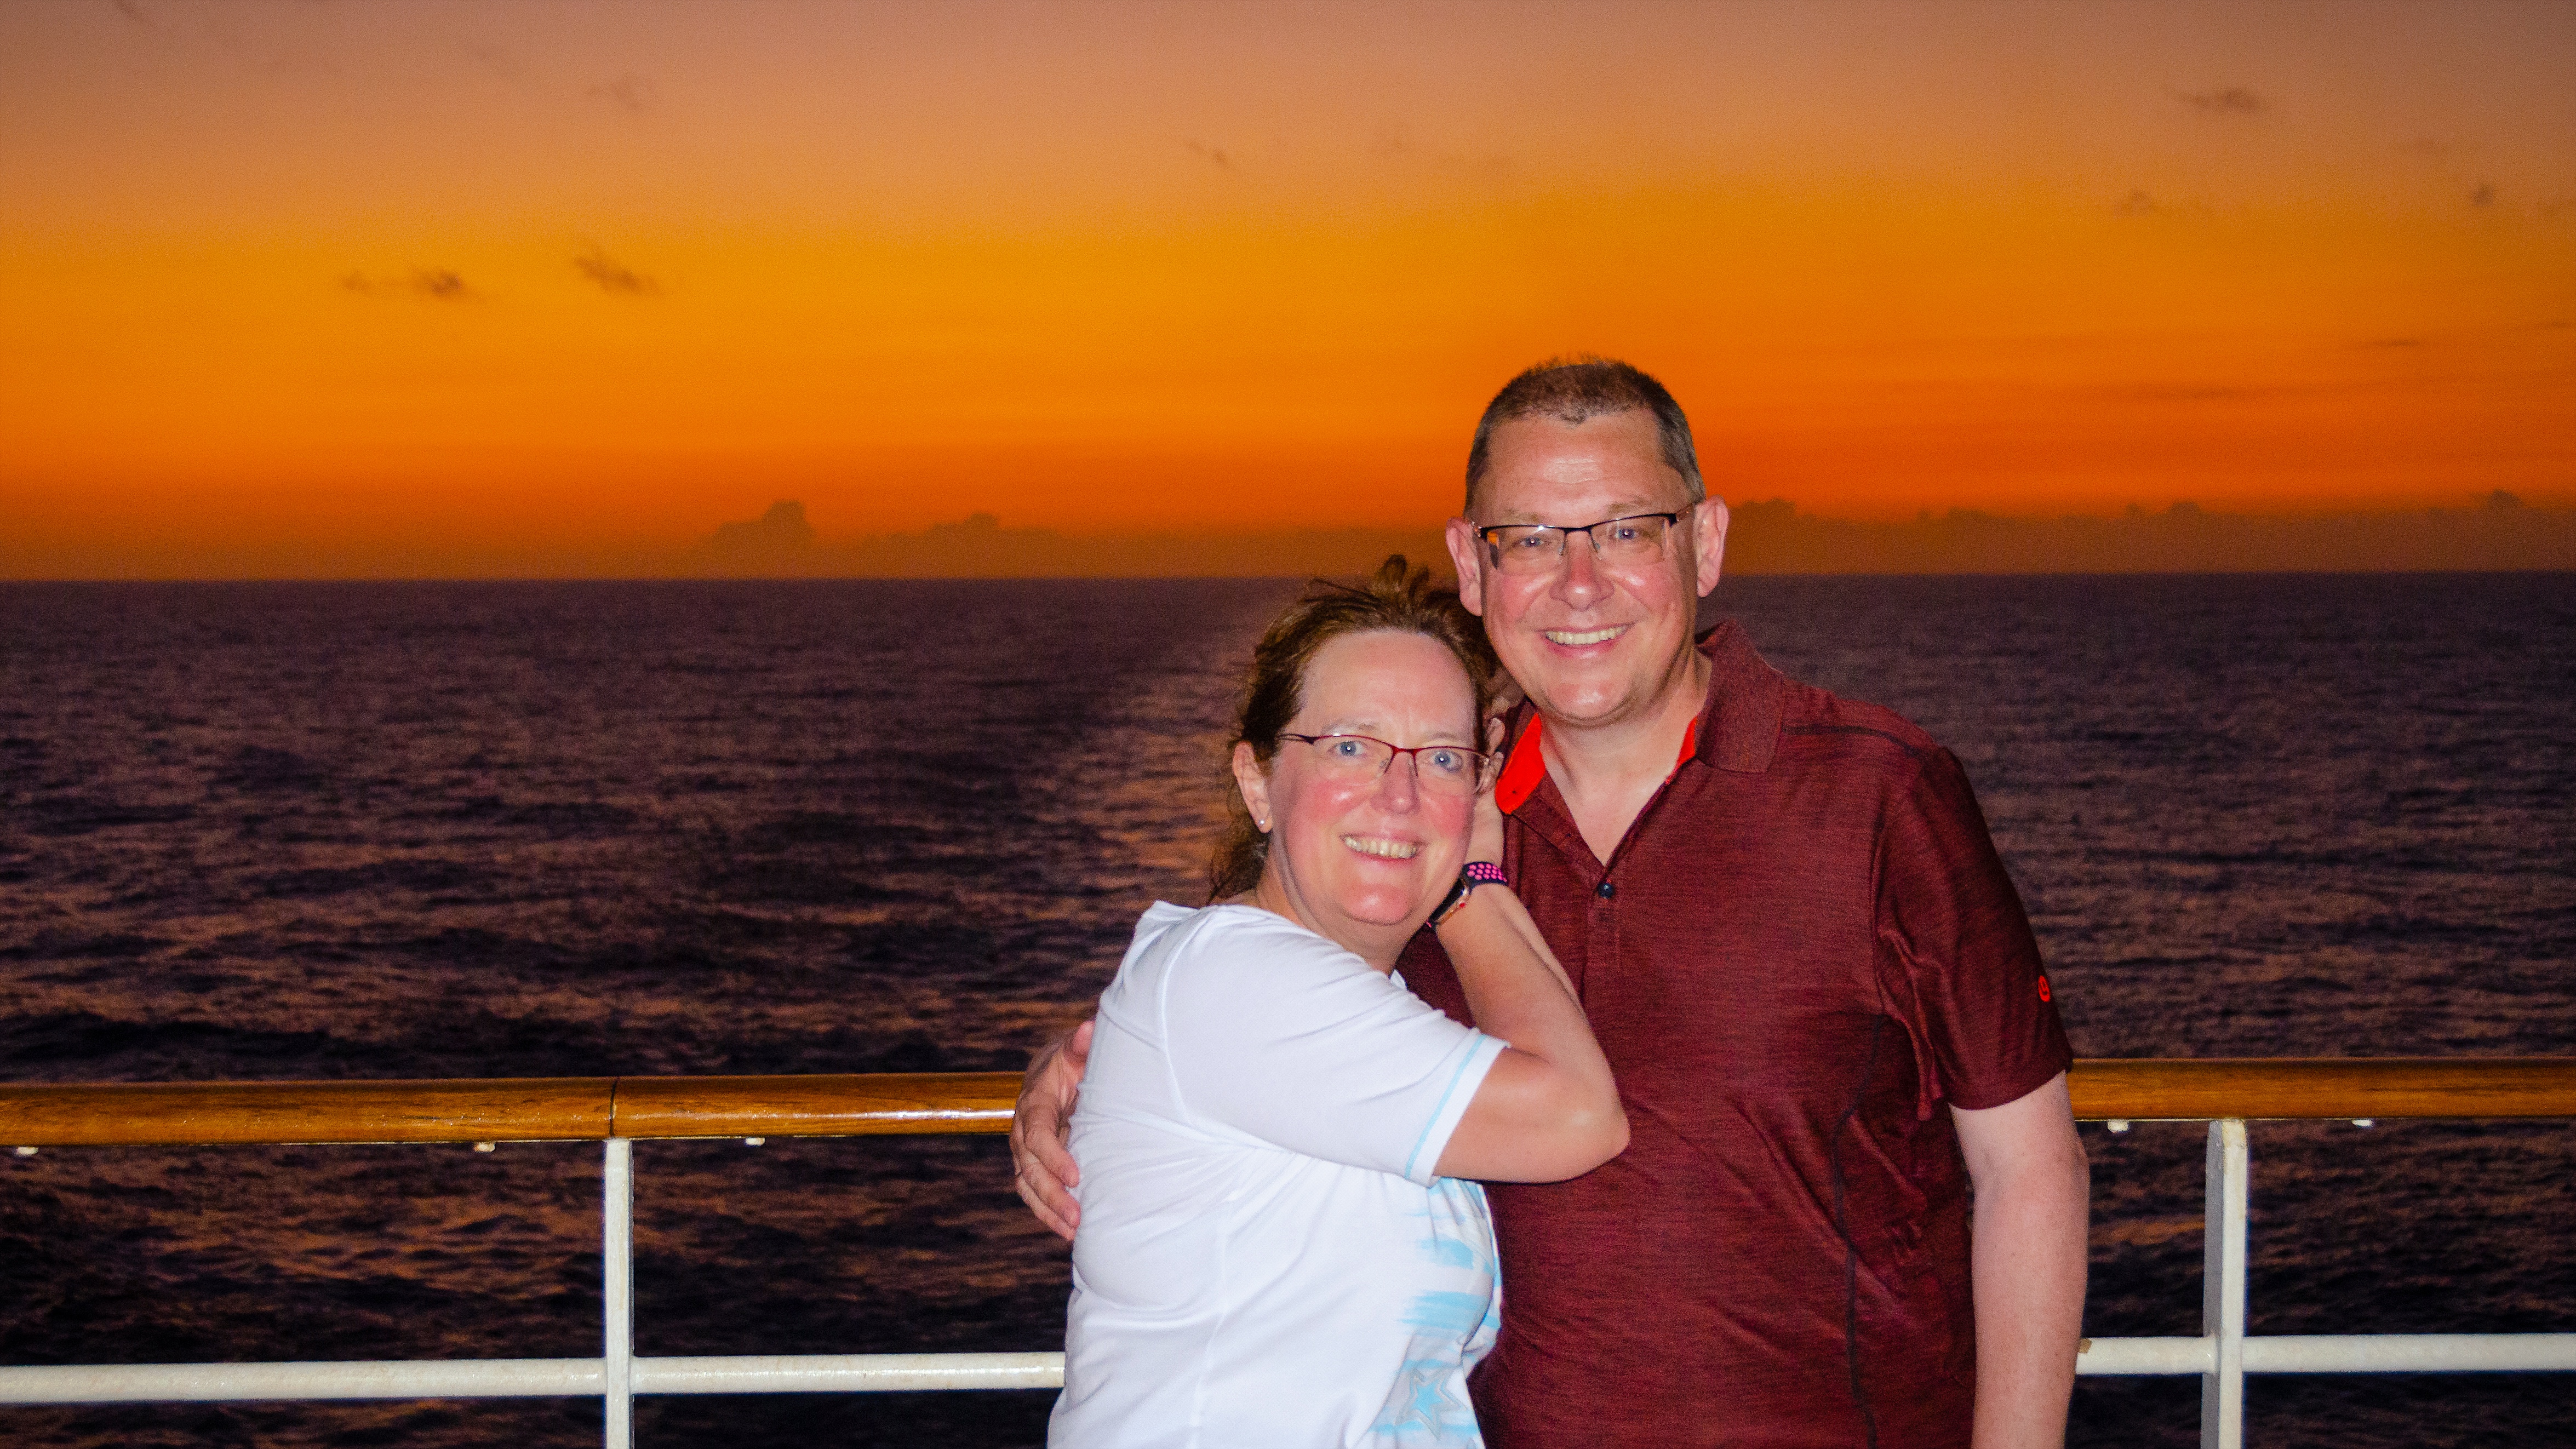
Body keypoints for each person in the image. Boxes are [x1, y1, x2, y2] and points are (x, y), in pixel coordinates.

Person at [1020, 358, 2090, 1448]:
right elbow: (1247, 993)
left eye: (1625, 529)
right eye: (1527, 538)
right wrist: (1073, 1074)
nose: (1577, 582)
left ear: (1704, 544)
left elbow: (2028, 1170)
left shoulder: (1879, 791)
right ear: (1470, 567)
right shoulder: (1423, 833)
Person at [1047, 559, 1628, 1448]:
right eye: (1350, 746)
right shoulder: (1235, 980)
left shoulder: (1343, 996)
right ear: (1256, 782)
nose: (1398, 797)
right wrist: (1472, 880)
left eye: (1440, 757)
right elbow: (1577, 1116)